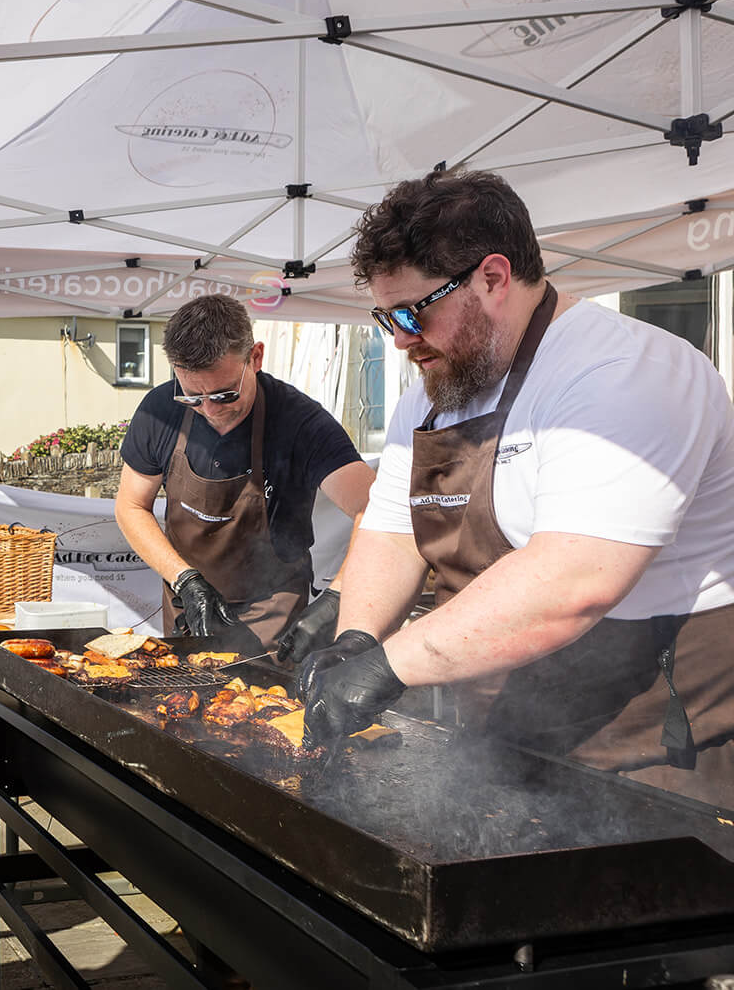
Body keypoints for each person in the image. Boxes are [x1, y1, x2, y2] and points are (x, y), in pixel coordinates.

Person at [302, 169, 734, 805]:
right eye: (384, 317)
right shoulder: (435, 392)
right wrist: (358, 638)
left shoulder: (625, 373)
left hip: (649, 746)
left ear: (493, 278)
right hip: (507, 730)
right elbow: (392, 530)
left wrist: (391, 665)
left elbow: (574, 581)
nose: (399, 340)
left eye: (412, 312)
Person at [115, 293, 375, 656]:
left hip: (272, 613)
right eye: (193, 396)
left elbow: (375, 510)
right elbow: (131, 505)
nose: (210, 410)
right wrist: (184, 579)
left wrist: (337, 597)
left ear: (255, 357)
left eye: (224, 394)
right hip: (188, 604)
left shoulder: (301, 422)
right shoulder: (160, 412)